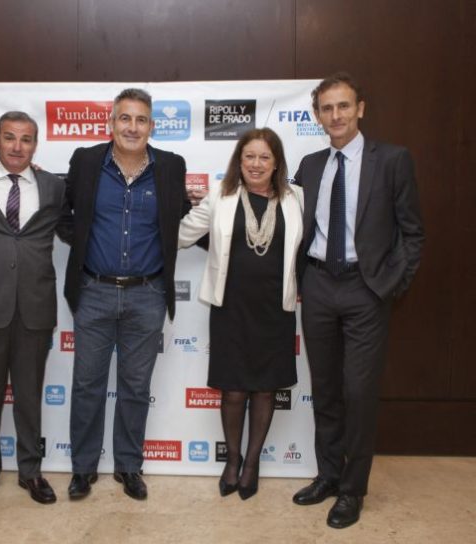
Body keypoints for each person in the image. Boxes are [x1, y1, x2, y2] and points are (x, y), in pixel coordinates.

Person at [291, 73, 424, 528]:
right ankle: (328, 475)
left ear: (360, 109)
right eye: (327, 108)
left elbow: (413, 233)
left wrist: (390, 285)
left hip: (366, 290)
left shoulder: (392, 160)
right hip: (318, 286)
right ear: (317, 115)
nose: (336, 116)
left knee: (359, 393)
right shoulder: (310, 165)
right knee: (325, 390)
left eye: (343, 106)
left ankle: (352, 490)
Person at [61, 88, 191, 501]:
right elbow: (63, 213)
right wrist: (84, 242)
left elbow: (184, 219)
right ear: (111, 123)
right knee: (87, 385)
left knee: (135, 386)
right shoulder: (86, 161)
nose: (132, 127)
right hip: (94, 291)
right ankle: (83, 468)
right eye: (125, 118)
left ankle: (129, 466)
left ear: (151, 126)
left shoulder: (171, 167)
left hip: (147, 294)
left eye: (141, 120)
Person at [179, 128, 303, 500]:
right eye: (249, 156)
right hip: (231, 308)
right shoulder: (221, 195)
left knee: (265, 389)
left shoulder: (297, 198)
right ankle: (232, 461)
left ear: (276, 163)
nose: (256, 164)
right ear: (239, 160)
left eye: (265, 157)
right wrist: (168, 202)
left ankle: (252, 464)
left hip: (275, 309)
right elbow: (182, 233)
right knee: (233, 390)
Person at [0, 112, 66, 508]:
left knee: (29, 395)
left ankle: (30, 471)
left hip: (35, 306)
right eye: (9, 137)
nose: (17, 147)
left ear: (35, 144)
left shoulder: (54, 186)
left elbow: (78, 226)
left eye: (26, 139)